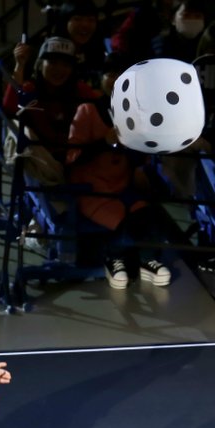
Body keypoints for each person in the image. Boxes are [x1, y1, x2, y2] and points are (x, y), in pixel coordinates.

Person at [67, 52, 172, 288]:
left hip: (123, 187)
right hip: (92, 189)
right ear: (101, 77)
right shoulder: (87, 110)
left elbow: (139, 157)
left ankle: (146, 260)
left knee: (146, 213)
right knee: (121, 219)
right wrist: (104, 143)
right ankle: (114, 259)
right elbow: (72, 158)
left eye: (122, 75)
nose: (116, 80)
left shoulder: (135, 114)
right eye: (111, 74)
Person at [3, 35, 99, 250]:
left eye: (65, 64)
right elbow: (9, 108)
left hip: (76, 161)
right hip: (43, 162)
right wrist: (20, 65)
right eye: (52, 62)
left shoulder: (81, 91)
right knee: (20, 134)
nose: (59, 70)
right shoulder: (31, 89)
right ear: (40, 64)